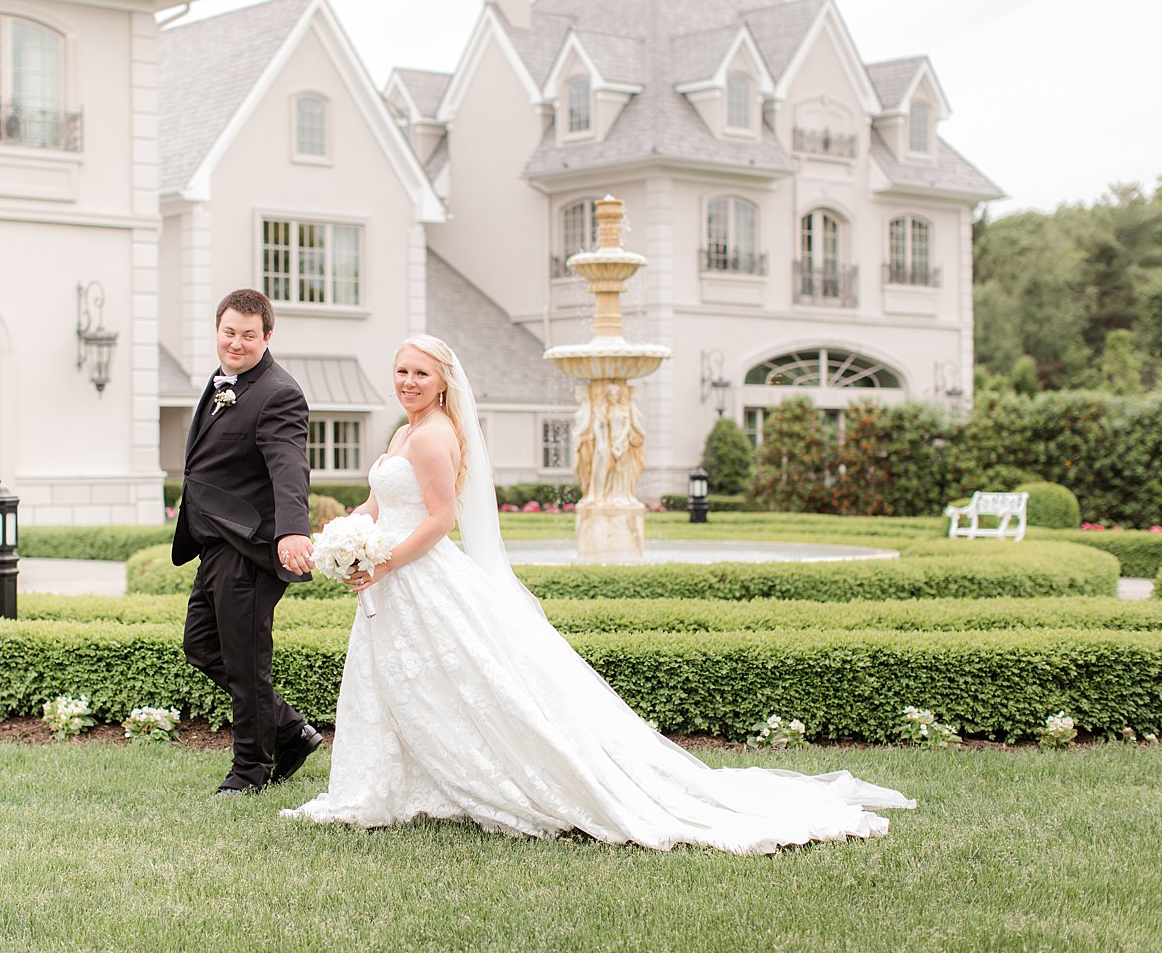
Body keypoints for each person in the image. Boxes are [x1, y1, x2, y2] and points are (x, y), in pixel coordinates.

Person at [282, 335, 914, 853]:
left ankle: (484, 780)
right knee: (407, 684)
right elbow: (379, 502)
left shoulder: (431, 435)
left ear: (444, 381)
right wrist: (336, 536)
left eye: (420, 372)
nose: (408, 381)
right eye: (401, 371)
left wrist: (383, 562)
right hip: (394, 583)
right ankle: (404, 783)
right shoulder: (403, 432)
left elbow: (440, 519)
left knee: (465, 684)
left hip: (419, 577)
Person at [173, 288, 323, 796]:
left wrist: (293, 530)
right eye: (229, 332)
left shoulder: (278, 391)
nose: (236, 343)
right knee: (201, 646)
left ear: (268, 336)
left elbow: (288, 464)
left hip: (251, 547)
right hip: (217, 541)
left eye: (248, 335)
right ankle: (289, 732)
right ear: (218, 331)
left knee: (245, 662)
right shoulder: (225, 382)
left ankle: (249, 771)